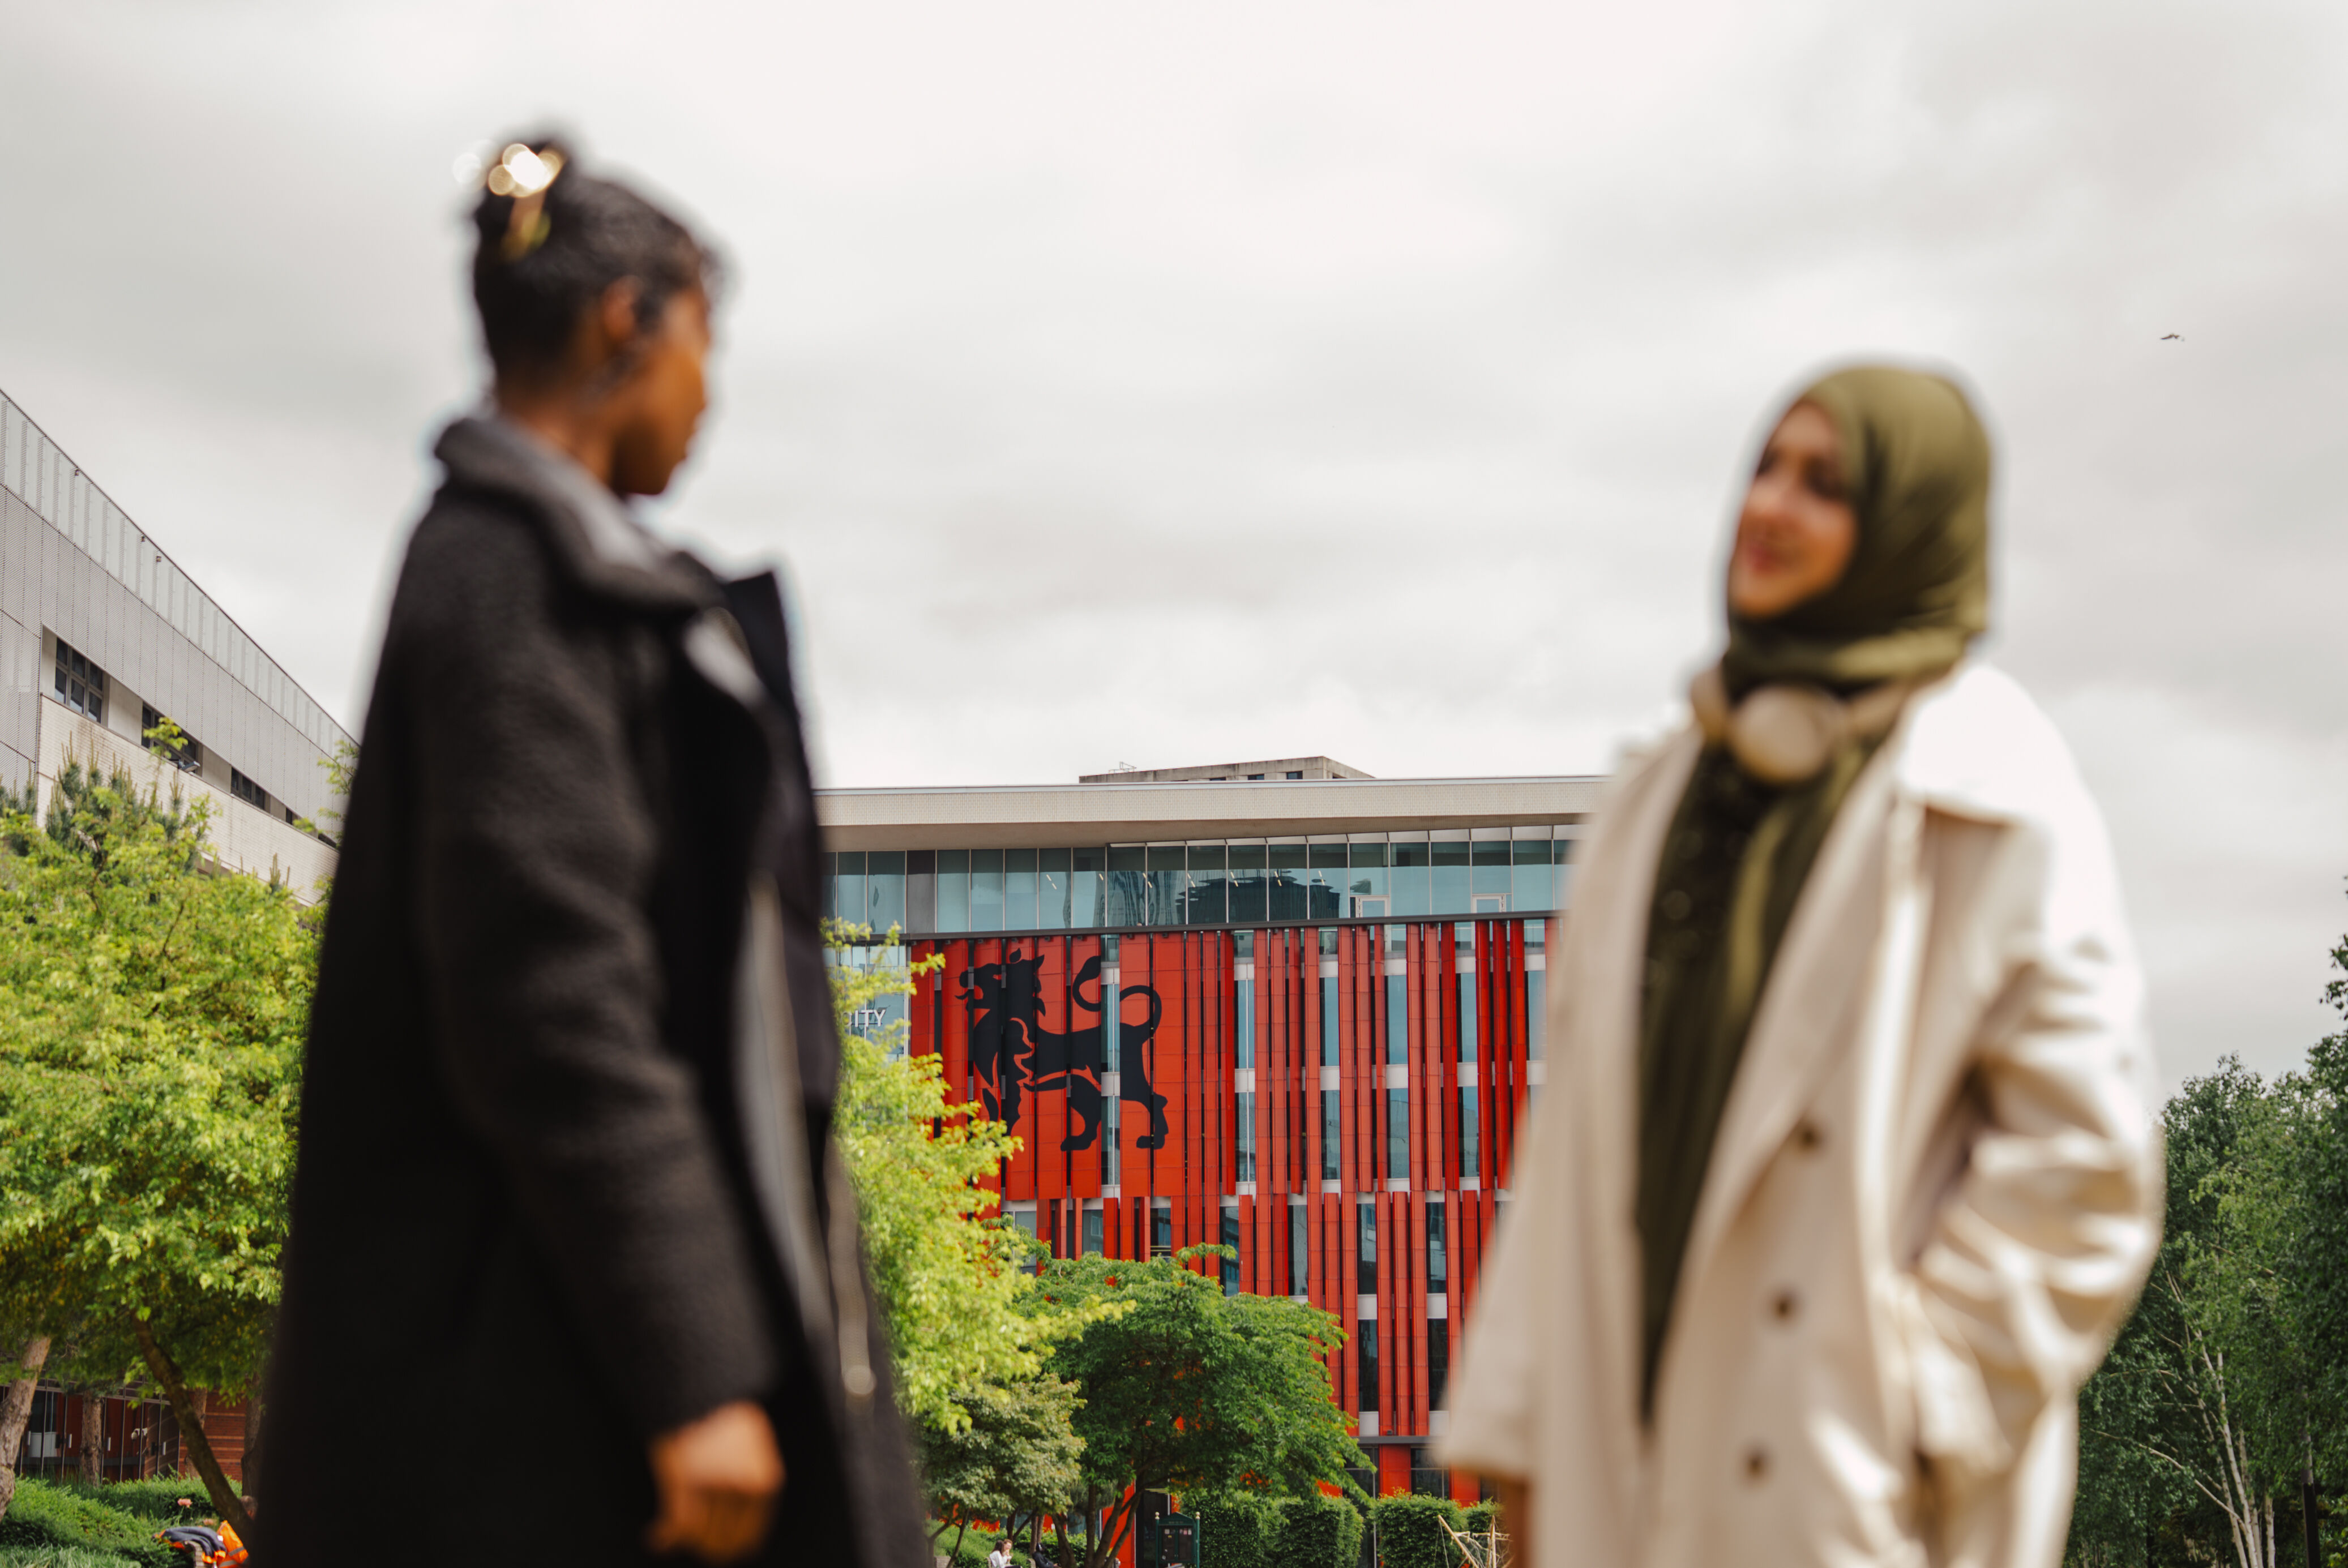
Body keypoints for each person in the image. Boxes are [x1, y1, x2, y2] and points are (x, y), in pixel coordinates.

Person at [259, 138, 927, 1567]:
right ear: (628, 319)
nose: (710, 391)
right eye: (706, 339)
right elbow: (549, 988)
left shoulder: (554, 577)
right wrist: (695, 1366)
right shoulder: (510, 574)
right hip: (543, 1424)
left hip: (555, 1391)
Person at [1439, 366, 2163, 1567]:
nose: (1767, 506)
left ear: (1906, 528)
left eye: (1822, 483)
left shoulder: (1995, 794)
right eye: (1764, 466)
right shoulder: (1652, 798)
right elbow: (1566, 1150)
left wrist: (1912, 1393)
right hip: (1622, 1459)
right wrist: (1518, 1447)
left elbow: (2086, 1167)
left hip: (1847, 1485)